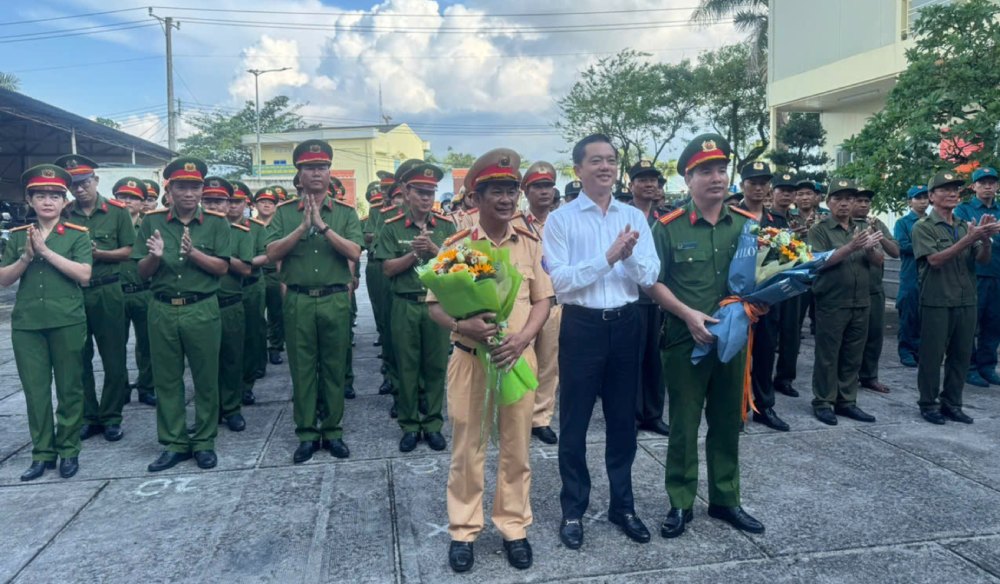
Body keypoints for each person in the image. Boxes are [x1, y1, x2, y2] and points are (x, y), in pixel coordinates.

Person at [428, 149, 553, 573]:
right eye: (495, 191)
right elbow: (434, 306)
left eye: (510, 190)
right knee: (468, 448)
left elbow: (543, 301)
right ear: (476, 199)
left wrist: (522, 339)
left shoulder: (531, 243)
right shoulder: (458, 245)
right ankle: (463, 530)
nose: (505, 199)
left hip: (517, 358)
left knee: (517, 447)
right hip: (469, 362)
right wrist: (464, 327)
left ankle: (514, 527)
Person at [543, 134, 660, 550]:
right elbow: (560, 281)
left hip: (627, 326)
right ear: (578, 169)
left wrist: (626, 255)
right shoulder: (560, 220)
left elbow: (648, 275)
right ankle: (573, 508)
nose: (605, 167)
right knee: (573, 424)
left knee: (622, 423)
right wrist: (608, 257)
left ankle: (622, 506)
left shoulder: (633, 217)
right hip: (582, 327)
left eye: (611, 160)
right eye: (596, 161)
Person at [646, 137, 765, 539]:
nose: (717, 178)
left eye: (721, 169)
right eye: (706, 171)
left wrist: (758, 305)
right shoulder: (667, 227)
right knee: (683, 425)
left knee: (729, 421)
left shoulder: (747, 224)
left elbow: (762, 279)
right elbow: (652, 283)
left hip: (734, 343)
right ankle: (680, 502)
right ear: (688, 178)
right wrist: (686, 313)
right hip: (685, 342)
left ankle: (725, 498)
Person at [266, 140, 363, 463]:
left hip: (335, 299)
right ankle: (307, 432)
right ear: (299, 174)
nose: (316, 173)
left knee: (334, 367)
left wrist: (322, 227)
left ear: (329, 172)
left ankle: (333, 430)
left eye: (322, 167)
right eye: (309, 168)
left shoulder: (346, 213)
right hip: (298, 300)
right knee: (303, 369)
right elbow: (272, 252)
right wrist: (302, 227)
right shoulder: (283, 214)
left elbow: (354, 251)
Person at [133, 157, 232, 472]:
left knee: (205, 377)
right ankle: (174, 442)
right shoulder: (152, 221)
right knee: (167, 379)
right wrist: (154, 256)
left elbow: (222, 268)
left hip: (201, 307)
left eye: (194, 187)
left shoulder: (217, 223)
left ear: (202, 190)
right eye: (181, 187)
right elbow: (141, 273)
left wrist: (195, 254)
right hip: (162, 308)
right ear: (170, 189)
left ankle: (204, 442)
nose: (189, 193)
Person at [1, 165, 92, 481]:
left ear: (64, 201)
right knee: (35, 391)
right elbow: (4, 279)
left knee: (69, 388)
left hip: (66, 320)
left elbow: (84, 274)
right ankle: (42, 453)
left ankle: (68, 450)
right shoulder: (17, 237)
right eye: (40, 195)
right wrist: (26, 256)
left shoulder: (77, 235)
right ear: (30, 200)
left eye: (55, 195)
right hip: (28, 324)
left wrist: (45, 252)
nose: (48, 201)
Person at [376, 161, 455, 452]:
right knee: (406, 367)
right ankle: (410, 425)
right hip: (405, 305)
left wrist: (435, 252)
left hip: (436, 306)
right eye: (420, 192)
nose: (426, 198)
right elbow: (387, 269)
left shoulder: (446, 226)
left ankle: (433, 423)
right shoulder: (391, 226)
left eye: (430, 193)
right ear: (406, 192)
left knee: (435, 367)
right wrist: (413, 253)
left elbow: (457, 268)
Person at [55, 155, 135, 443]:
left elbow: (129, 250)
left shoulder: (117, 212)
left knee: (114, 357)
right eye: (73, 185)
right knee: (78, 357)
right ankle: (89, 415)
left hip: (108, 290)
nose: (79, 189)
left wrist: (98, 254)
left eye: (84, 182)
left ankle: (112, 416)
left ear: (96, 181)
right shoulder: (64, 214)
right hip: (76, 292)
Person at [915, 171, 997, 424]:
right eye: (944, 189)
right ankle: (928, 404)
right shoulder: (923, 227)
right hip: (937, 299)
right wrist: (970, 239)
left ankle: (952, 402)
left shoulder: (963, 226)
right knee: (932, 355)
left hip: (965, 299)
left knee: (961, 356)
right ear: (931, 196)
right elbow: (935, 260)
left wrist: (984, 240)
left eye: (955, 189)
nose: (952, 194)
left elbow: (982, 259)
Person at [808, 179, 883, 426]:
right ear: (828, 202)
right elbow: (819, 262)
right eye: (838, 199)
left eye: (849, 199)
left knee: (853, 354)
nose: (844, 204)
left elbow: (879, 261)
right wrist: (851, 246)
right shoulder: (819, 230)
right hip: (832, 300)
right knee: (828, 354)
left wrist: (870, 248)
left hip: (860, 300)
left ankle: (847, 401)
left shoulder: (863, 227)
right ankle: (823, 401)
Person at [200, 177, 252, 433]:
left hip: (230, 303)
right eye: (208, 200)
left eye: (219, 201)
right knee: (203, 364)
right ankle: (207, 412)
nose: (214, 206)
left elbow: (245, 269)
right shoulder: (191, 230)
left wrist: (219, 255)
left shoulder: (239, 233)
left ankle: (231, 409)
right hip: (200, 304)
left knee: (232, 359)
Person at [741, 165, 791, 432]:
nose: (758, 188)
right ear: (742, 185)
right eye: (753, 183)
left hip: (768, 299)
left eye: (763, 183)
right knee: (737, 355)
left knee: (765, 352)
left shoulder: (778, 221)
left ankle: (763, 406)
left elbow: (787, 257)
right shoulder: (731, 216)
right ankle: (736, 408)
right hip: (738, 299)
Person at [518, 161, 562, 444]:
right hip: (524, 304)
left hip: (555, 302)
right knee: (522, 361)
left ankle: (540, 418)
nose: (544, 192)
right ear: (526, 191)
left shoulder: (563, 222)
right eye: (537, 186)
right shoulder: (515, 223)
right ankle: (518, 415)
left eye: (548, 186)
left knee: (549, 363)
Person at [627, 160, 670, 436]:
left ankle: (653, 414)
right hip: (631, 298)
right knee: (630, 359)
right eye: (642, 179)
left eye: (653, 179)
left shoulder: (666, 218)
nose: (649, 184)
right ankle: (630, 414)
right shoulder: (623, 215)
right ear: (631, 185)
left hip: (661, 297)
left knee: (656, 360)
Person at [954, 167, 1000, 387]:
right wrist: (985, 234)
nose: (988, 186)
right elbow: (962, 237)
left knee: (994, 322)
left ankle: (987, 366)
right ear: (974, 187)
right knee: (970, 323)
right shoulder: (964, 210)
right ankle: (969, 367)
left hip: (997, 274)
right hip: (976, 274)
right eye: (983, 183)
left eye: (992, 182)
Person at [113, 177, 156, 407]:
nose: (127, 201)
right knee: (114, 345)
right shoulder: (108, 223)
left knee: (148, 343)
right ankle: (120, 389)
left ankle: (147, 386)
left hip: (144, 291)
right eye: (122, 196)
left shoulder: (151, 225)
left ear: (142, 203)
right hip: (115, 291)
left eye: (133, 198)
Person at [852, 188, 899, 393]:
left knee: (874, 335)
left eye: (867, 201)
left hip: (875, 288)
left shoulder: (876, 223)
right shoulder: (845, 223)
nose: (864, 205)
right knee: (852, 337)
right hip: (851, 290)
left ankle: (870, 375)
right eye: (859, 201)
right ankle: (848, 375)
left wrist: (878, 237)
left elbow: (895, 252)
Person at [231, 181, 269, 404]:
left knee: (252, 334)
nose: (233, 207)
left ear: (246, 203)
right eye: (231, 202)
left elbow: (266, 255)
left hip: (251, 284)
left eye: (238, 202)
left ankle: (246, 384)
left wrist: (242, 263)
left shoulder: (256, 227)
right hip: (224, 288)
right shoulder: (214, 225)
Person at [895, 185, 930, 367]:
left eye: (925, 197)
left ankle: (921, 350)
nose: (923, 201)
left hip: (931, 274)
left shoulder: (933, 221)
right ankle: (906, 350)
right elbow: (903, 245)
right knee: (909, 313)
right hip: (911, 273)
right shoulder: (903, 223)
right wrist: (928, 248)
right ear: (910, 202)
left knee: (927, 315)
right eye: (918, 198)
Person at [254, 186, 284, 368]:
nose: (266, 205)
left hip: (275, 274)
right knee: (256, 316)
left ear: (276, 206)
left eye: (270, 202)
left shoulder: (281, 225)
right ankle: (258, 354)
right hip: (255, 275)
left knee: (276, 314)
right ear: (255, 204)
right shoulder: (248, 225)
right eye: (262, 202)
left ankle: (275, 347)